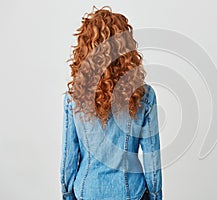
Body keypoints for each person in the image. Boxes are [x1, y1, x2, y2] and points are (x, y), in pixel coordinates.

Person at [59, 5, 163, 200]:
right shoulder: (144, 96)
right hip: (131, 192)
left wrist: (67, 194)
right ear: (126, 49)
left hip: (87, 191)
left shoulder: (73, 98)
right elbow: (152, 160)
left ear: (84, 50)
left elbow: (69, 159)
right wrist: (156, 195)